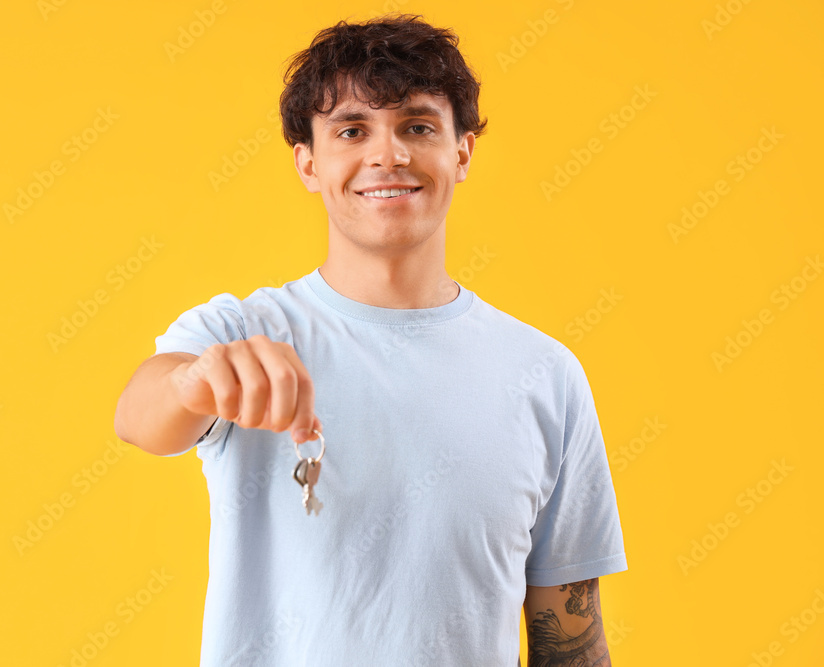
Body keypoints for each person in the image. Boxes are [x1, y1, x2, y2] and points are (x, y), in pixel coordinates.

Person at [114, 13, 627, 666]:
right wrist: (195, 381)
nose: (388, 155)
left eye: (417, 126)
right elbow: (138, 416)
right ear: (308, 163)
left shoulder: (545, 375)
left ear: (461, 151)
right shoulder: (239, 333)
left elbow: (570, 638)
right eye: (352, 130)